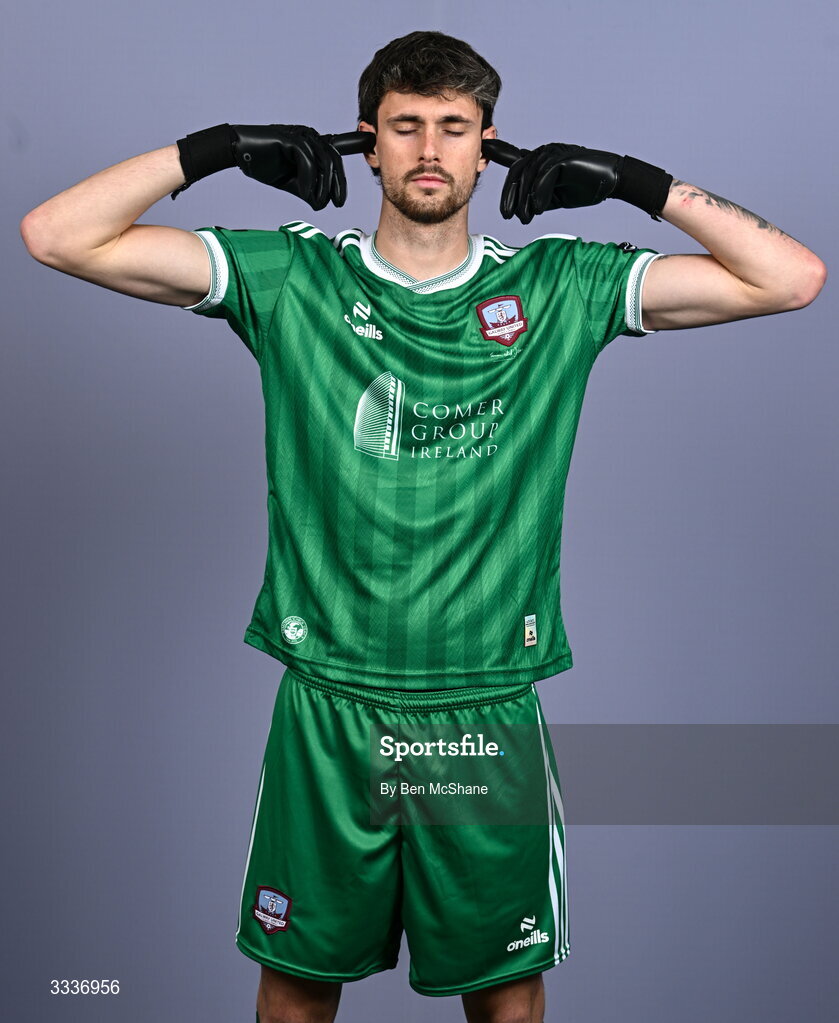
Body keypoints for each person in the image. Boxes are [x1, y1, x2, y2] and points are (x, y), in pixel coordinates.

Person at [20, 28, 825, 1023]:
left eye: (455, 127)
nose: (431, 149)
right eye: (406, 127)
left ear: (490, 147)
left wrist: (632, 180)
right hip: (331, 702)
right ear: (366, 145)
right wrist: (217, 148)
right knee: (295, 993)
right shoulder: (292, 278)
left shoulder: (555, 287)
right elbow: (57, 234)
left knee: (503, 1000)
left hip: (482, 707)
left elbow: (786, 278)